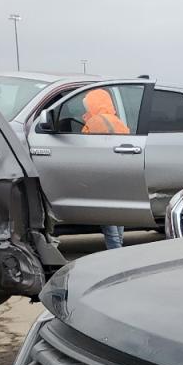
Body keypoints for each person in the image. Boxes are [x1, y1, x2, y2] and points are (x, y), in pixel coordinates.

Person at [80, 88, 130, 250]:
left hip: (102, 176)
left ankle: (115, 253)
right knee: (118, 216)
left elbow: (83, 148)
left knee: (108, 222)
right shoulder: (118, 121)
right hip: (121, 175)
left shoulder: (93, 123)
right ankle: (119, 248)